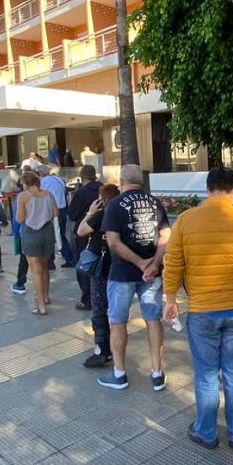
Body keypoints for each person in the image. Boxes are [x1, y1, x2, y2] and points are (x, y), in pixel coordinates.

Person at [163, 168, 233, 450]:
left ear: (207, 189)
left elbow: (173, 263)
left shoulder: (186, 220)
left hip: (201, 312)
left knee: (207, 374)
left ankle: (206, 433)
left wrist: (170, 299)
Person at [96, 164, 171, 391]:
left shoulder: (115, 204)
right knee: (153, 319)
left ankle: (119, 373)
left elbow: (113, 242)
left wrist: (139, 263)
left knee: (118, 322)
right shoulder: (155, 202)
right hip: (152, 274)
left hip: (121, 274)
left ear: (121, 182)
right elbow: (166, 235)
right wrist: (153, 264)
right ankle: (157, 373)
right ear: (141, 181)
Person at [77, 183, 119, 368]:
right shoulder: (121, 214)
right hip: (119, 267)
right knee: (116, 310)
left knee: (99, 308)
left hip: (100, 269)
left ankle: (102, 350)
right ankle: (114, 348)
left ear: (102, 200)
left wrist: (90, 212)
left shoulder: (100, 215)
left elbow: (80, 231)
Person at [15, 171, 58, 315]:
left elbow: (20, 219)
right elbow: (55, 213)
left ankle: (41, 306)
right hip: (47, 232)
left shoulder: (23, 196)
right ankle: (46, 297)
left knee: (35, 270)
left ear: (25, 183)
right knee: (45, 267)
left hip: (31, 233)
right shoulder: (48, 194)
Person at [66, 165, 103, 309]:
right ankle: (101, 296)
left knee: (85, 266)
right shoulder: (104, 189)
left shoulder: (81, 193)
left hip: (85, 233)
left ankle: (87, 299)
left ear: (82, 177)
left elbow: (73, 215)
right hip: (103, 232)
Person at [38, 164, 72, 267]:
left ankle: (51, 262)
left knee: (50, 237)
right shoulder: (58, 179)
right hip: (62, 209)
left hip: (51, 211)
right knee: (60, 235)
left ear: (40, 174)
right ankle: (68, 258)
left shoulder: (42, 182)